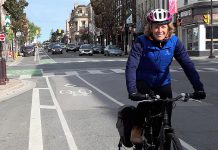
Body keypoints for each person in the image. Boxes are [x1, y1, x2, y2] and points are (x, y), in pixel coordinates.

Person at [125, 9, 206, 144]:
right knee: (146, 103)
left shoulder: (174, 42)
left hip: (163, 83)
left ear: (168, 27)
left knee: (166, 110)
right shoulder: (141, 42)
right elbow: (131, 66)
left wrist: (199, 88)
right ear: (150, 28)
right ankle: (137, 129)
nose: (160, 30)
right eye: (156, 27)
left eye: (163, 26)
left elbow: (187, 65)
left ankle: (164, 137)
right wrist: (132, 90)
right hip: (144, 81)